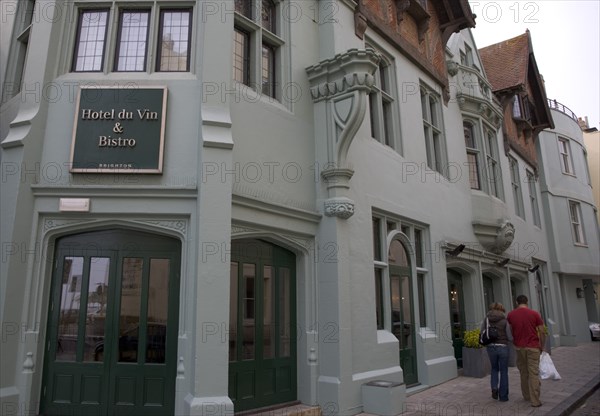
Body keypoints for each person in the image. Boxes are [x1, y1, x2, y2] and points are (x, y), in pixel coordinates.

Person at [507, 295, 546, 407]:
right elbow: (542, 331)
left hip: (519, 347)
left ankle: (526, 396)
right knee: (533, 373)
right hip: (533, 346)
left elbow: (510, 329)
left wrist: (514, 340)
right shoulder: (534, 314)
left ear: (516, 302)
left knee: (523, 372)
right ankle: (535, 400)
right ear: (527, 302)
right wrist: (542, 345)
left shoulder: (511, 315)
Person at [481, 302, 512, 402]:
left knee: (494, 369)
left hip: (491, 347)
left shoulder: (486, 319)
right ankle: (503, 396)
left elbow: (482, 332)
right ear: (501, 309)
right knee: (504, 371)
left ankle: (494, 388)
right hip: (503, 347)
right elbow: (509, 336)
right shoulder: (504, 320)